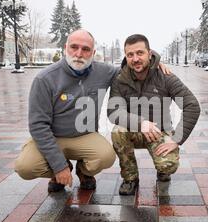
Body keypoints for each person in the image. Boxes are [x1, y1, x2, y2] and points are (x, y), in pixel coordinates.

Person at [14, 30, 170, 193]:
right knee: (25, 167)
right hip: (52, 137)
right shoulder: (44, 79)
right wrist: (59, 166)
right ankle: (60, 169)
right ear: (65, 47)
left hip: (85, 135)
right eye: (74, 47)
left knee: (106, 156)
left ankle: (84, 172)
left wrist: (153, 63)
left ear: (93, 53)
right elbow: (38, 125)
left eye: (86, 49)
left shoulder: (104, 72)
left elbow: (133, 65)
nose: (79, 53)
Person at [108, 34, 201, 196]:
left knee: (168, 165)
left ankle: (162, 170)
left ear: (149, 54)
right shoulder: (120, 79)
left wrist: (177, 139)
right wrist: (141, 123)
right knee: (118, 131)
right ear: (126, 56)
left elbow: (192, 105)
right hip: (135, 130)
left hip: (159, 131)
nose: (135, 59)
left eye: (140, 53)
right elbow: (114, 111)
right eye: (130, 55)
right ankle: (130, 178)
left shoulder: (165, 76)